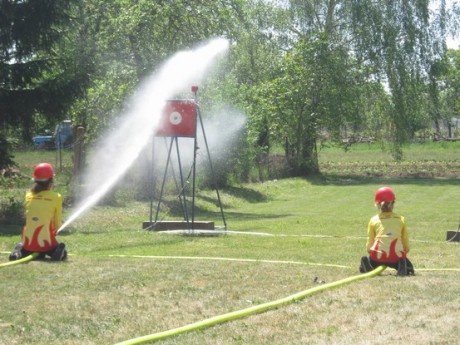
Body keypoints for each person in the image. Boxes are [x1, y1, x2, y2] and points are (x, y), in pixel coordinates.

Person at [9, 163, 67, 261]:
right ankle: (58, 251)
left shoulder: (28, 195)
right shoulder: (56, 197)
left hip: (28, 242)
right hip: (46, 242)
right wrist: (55, 230)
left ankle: (18, 251)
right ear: (51, 181)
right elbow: (57, 223)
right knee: (60, 252)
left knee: (28, 249)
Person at [359, 186, 414, 276]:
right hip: (396, 256)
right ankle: (403, 266)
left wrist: (370, 251)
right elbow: (405, 241)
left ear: (378, 204)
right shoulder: (400, 219)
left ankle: (367, 265)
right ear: (393, 203)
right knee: (409, 267)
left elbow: (370, 242)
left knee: (368, 263)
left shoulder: (373, 220)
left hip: (377, 256)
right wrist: (405, 251)